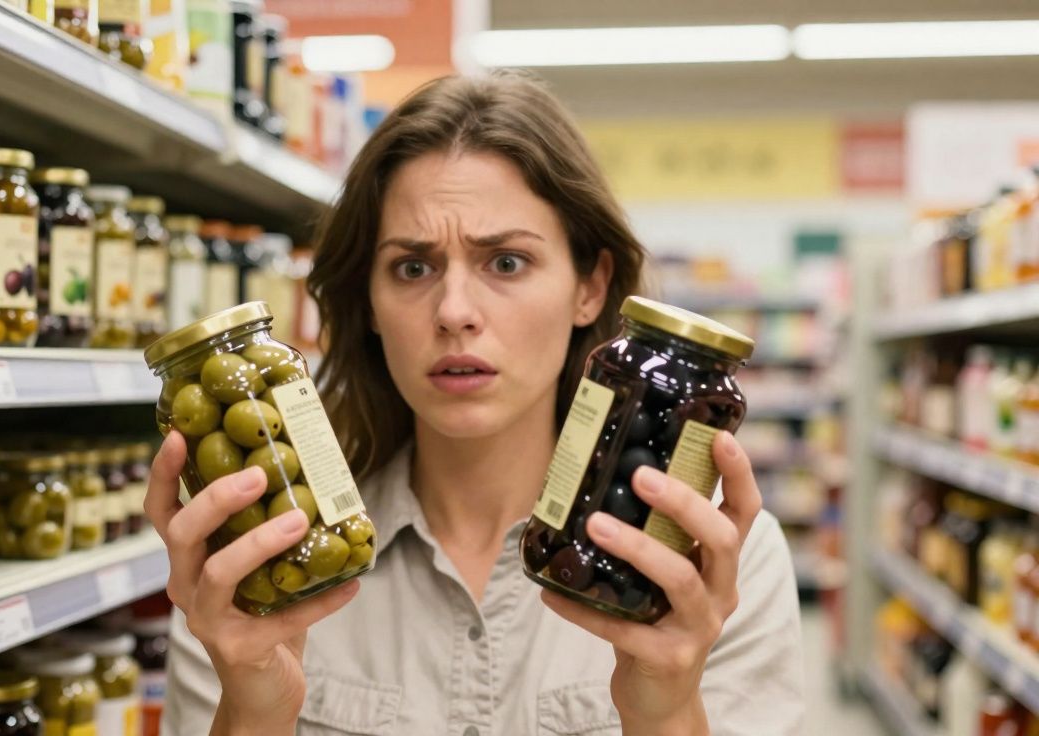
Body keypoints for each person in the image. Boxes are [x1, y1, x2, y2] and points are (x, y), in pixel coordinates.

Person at [146, 71, 803, 736]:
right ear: (368, 302)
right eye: (412, 267)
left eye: (507, 262)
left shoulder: (714, 567)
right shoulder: (251, 561)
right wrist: (255, 711)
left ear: (590, 288)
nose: (454, 311)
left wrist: (666, 712)